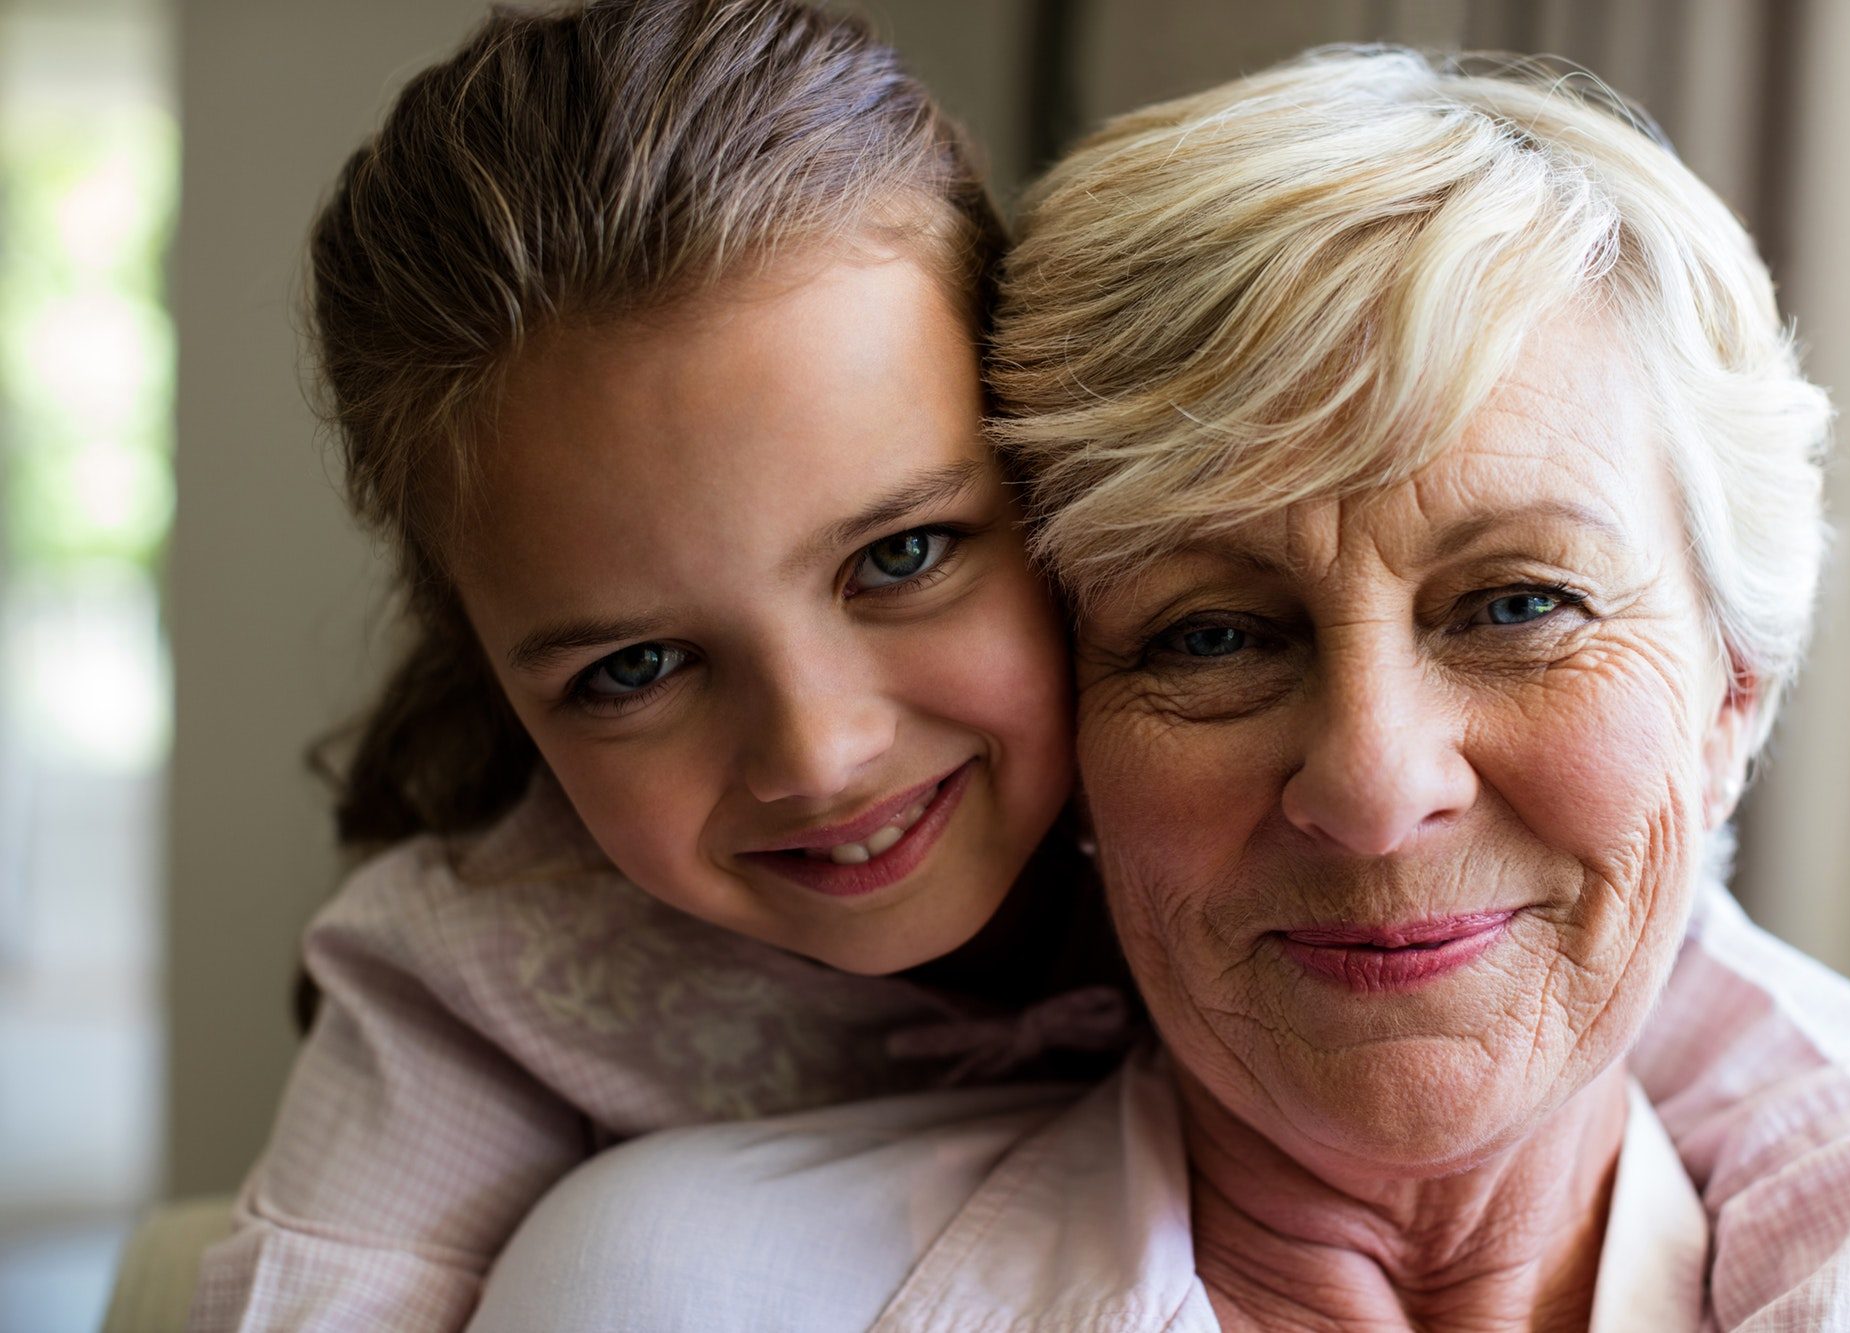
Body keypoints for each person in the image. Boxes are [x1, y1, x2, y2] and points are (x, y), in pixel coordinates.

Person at [465, 47, 1850, 1330]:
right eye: (1213, 636)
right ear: (1073, 723)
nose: (1375, 783)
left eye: (1519, 604)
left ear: (1734, 690)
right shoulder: (692, 1290)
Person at [186, 2, 1139, 1327]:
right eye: (635, 668)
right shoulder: (483, 983)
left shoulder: (1268, 808)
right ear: (490, 668)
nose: (820, 751)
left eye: (904, 554)